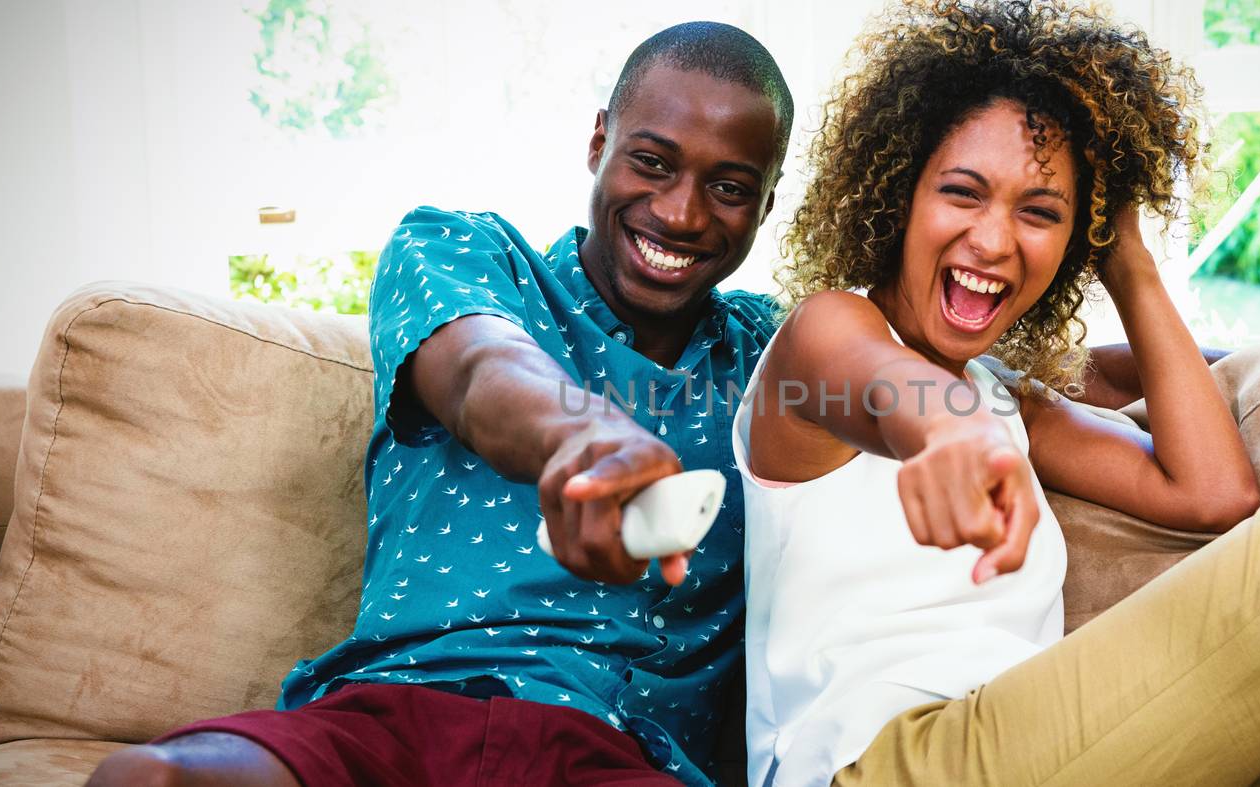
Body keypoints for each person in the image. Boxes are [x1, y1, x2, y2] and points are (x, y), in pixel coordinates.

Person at [735, 2, 1260, 786]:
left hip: (1043, 744)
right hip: (891, 763)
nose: (993, 240)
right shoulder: (827, 333)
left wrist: (1127, 256)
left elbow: (1213, 491)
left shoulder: (1010, 402)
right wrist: (951, 440)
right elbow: (889, 391)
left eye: (1041, 212)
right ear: (897, 196)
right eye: (961, 191)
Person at [88, 21, 793, 787]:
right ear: (599, 143)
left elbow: (885, 364)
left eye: (728, 188)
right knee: (147, 780)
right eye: (651, 163)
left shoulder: (772, 354)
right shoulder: (463, 252)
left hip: (618, 751)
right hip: (399, 715)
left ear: (766, 201)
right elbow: (481, 368)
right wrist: (581, 437)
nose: (682, 214)